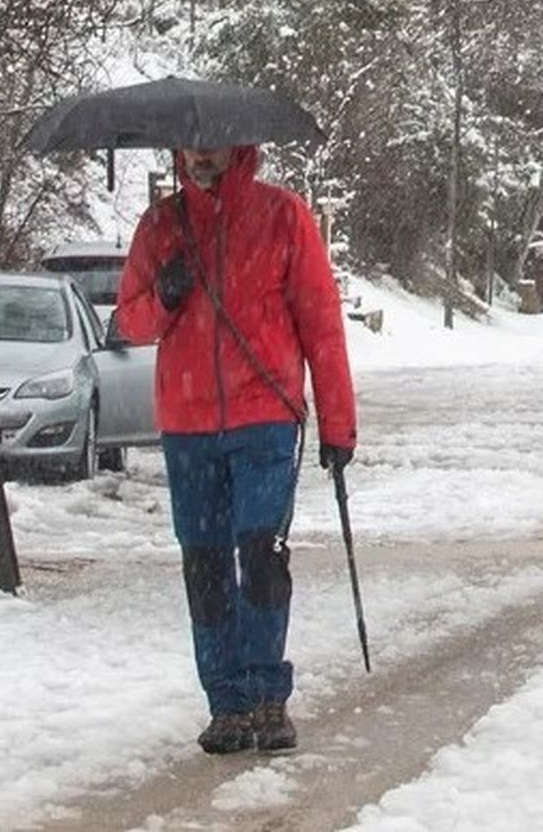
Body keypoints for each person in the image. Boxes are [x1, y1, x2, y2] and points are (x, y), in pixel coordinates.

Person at [117, 144, 356, 755]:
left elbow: (321, 323)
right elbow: (131, 324)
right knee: (205, 568)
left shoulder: (283, 216)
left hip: (266, 419)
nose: (201, 155)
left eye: (214, 144)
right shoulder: (161, 225)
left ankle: (267, 695)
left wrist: (338, 423)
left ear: (240, 148)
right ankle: (225, 703)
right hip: (188, 426)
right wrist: (166, 296)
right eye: (192, 145)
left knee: (262, 554)